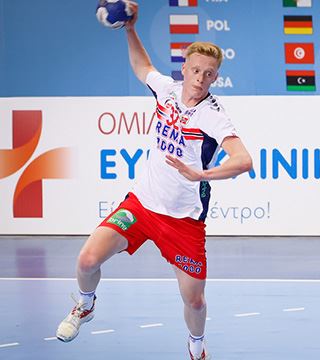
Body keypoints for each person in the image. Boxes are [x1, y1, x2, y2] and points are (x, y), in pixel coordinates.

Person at [56, 3, 252, 359]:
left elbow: (243, 160)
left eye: (209, 74)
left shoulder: (214, 116)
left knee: (194, 300)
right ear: (185, 67)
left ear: (215, 77)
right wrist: (130, 30)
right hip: (141, 205)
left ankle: (196, 346)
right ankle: (85, 305)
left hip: (183, 221)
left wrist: (203, 174)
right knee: (87, 260)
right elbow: (142, 66)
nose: (200, 78)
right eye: (196, 70)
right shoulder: (166, 89)